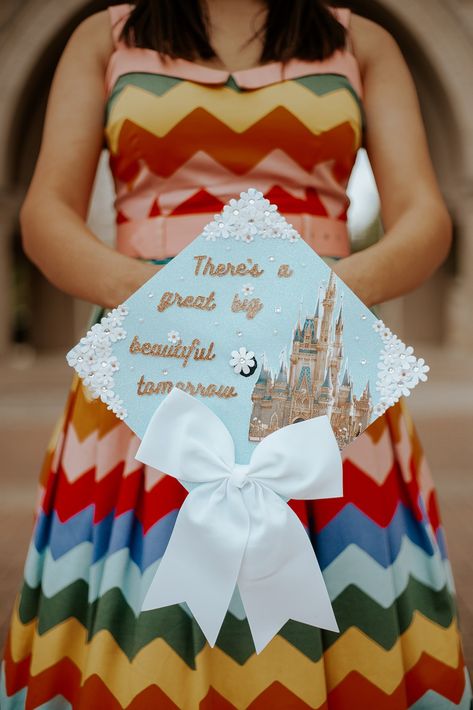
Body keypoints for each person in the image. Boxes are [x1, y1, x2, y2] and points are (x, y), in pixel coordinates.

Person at [1, 1, 471, 707]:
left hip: (318, 352)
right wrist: (185, 300)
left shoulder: (359, 41)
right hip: (152, 356)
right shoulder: (101, 40)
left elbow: (425, 218)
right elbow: (44, 216)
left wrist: (302, 296)